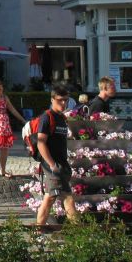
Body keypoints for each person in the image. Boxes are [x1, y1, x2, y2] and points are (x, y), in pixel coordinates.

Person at [35, 84, 80, 227]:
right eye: (60, 100)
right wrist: (52, 165)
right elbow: (40, 143)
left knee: (50, 198)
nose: (63, 103)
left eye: (66, 100)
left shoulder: (61, 118)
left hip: (61, 165)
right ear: (52, 99)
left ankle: (39, 231)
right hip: (52, 167)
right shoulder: (46, 117)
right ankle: (79, 233)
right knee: (66, 199)